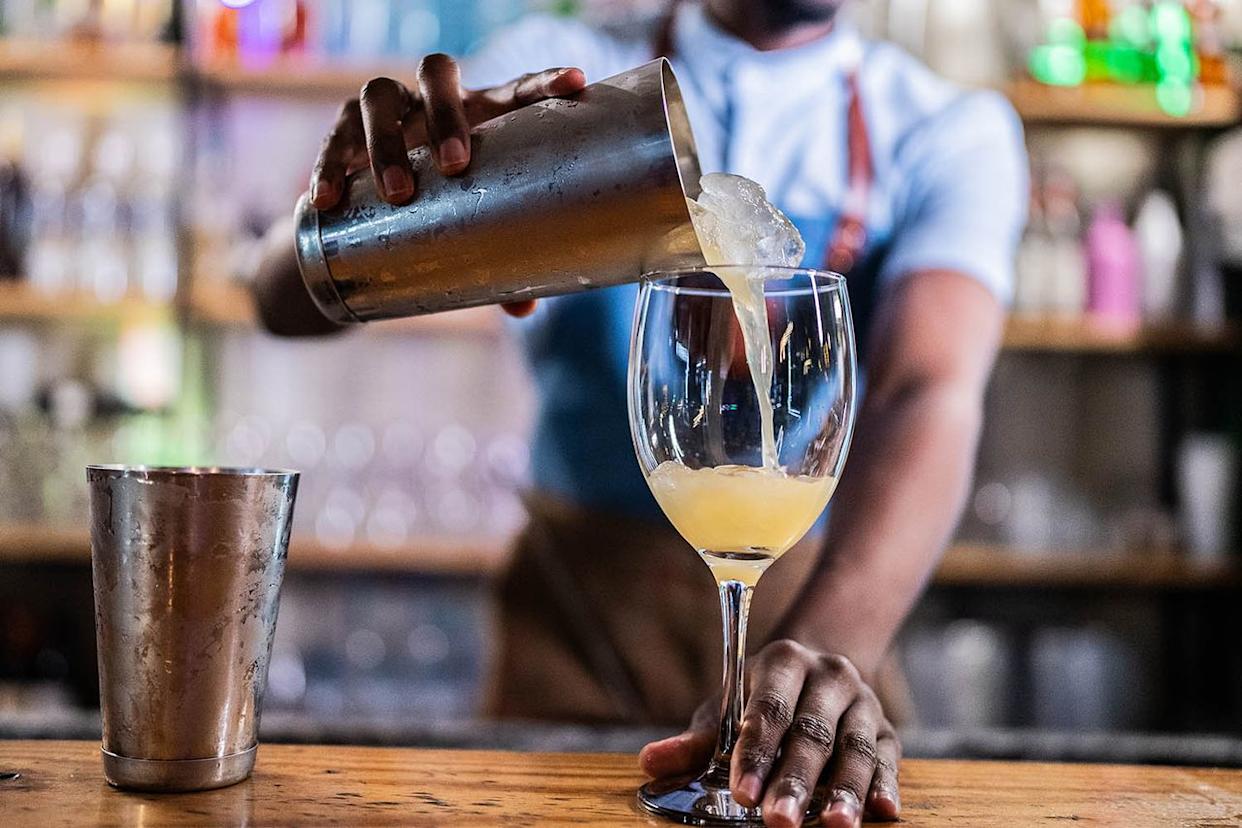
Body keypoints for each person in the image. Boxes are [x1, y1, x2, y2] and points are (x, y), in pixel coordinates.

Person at [253, 1, 1028, 825]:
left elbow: (927, 393)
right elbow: (275, 298)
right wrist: (355, 205)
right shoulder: (567, 76)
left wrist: (824, 652)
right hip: (574, 629)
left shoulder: (945, 129)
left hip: (823, 614)